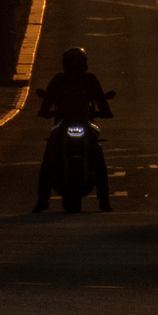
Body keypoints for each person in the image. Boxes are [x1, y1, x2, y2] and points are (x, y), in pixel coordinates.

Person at [34, 47, 113, 213]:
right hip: (63, 124)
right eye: (72, 63)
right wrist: (44, 110)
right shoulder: (62, 80)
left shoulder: (87, 80)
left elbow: (99, 97)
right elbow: (48, 98)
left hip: (84, 122)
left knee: (97, 154)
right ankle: (42, 199)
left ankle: (104, 199)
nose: (75, 66)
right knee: (50, 155)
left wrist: (106, 110)